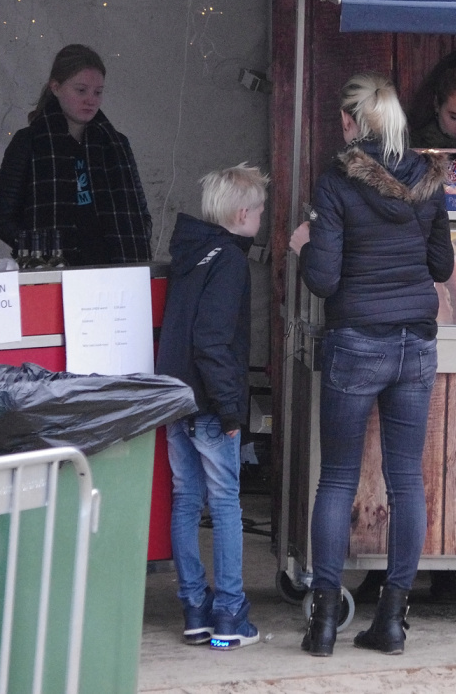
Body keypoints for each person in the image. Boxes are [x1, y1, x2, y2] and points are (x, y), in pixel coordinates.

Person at [289, 73, 453, 656]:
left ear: (351, 122)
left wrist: (303, 246)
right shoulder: (429, 180)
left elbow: (323, 278)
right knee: (405, 480)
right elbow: (440, 266)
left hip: (357, 340)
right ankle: (391, 622)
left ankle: (323, 625)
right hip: (416, 345)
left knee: (337, 478)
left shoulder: (336, 182)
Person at [156, 163, 268, 648]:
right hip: (209, 402)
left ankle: (194, 609)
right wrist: (229, 410)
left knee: (186, 500)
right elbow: (212, 340)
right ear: (243, 214)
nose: (261, 220)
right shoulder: (229, 261)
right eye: (260, 212)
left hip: (175, 399)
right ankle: (229, 614)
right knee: (224, 504)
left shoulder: (188, 253)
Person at [0, 43, 152, 266]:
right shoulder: (29, 142)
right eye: (81, 90)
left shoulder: (117, 144)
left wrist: (134, 241)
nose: (91, 99)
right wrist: (37, 250)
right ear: (56, 87)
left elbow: (141, 213)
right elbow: (2, 219)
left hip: (117, 271)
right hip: (52, 272)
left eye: (98, 92)